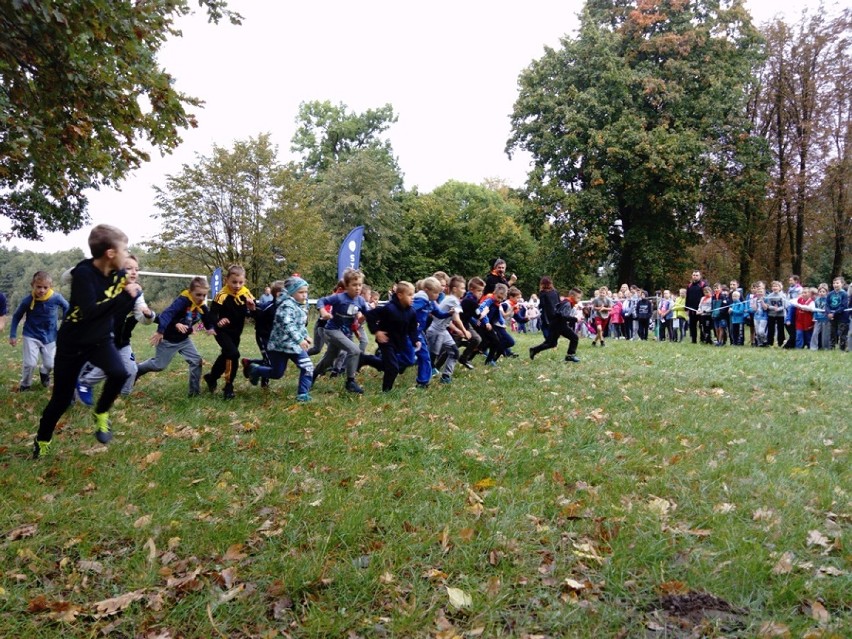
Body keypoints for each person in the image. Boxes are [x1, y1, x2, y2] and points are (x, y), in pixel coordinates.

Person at [33, 225, 141, 458]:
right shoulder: (83, 274)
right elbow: (90, 311)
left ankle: (101, 413)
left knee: (120, 373)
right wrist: (124, 295)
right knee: (60, 400)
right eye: (124, 250)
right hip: (73, 342)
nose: (126, 254)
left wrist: (134, 298)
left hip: (100, 339)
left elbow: (117, 311)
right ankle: (42, 440)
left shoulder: (119, 275)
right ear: (110, 253)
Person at [76, 254, 156, 404]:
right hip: (101, 338)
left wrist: (149, 314)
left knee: (131, 370)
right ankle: (82, 385)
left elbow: (142, 316)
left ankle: (123, 396)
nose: (133, 272)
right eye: (128, 268)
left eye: (136, 269)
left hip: (122, 340)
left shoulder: (137, 292)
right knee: (108, 367)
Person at [136, 276, 216, 396]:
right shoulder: (182, 301)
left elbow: (207, 317)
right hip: (168, 339)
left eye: (204, 295)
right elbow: (167, 314)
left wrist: (211, 328)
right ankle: (137, 369)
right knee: (159, 365)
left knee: (196, 361)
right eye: (198, 295)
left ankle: (194, 393)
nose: (201, 298)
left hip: (184, 340)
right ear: (190, 292)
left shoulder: (200, 307)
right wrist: (162, 331)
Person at [245, 276, 314, 401]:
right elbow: (288, 325)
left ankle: (302, 394)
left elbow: (300, 324)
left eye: (306, 292)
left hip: (295, 346)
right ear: (291, 292)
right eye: (301, 292)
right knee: (277, 373)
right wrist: (300, 340)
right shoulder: (286, 306)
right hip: (280, 346)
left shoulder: (300, 305)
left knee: (308, 366)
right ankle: (256, 370)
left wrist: (305, 335)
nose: (304, 295)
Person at [9, 271, 70, 391]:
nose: (42, 290)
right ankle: (25, 385)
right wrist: (12, 335)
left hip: (50, 336)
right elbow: (16, 316)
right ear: (33, 285)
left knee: (50, 364)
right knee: (30, 363)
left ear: (50, 287)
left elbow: (67, 306)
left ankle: (44, 373)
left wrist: (64, 324)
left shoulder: (56, 297)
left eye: (45, 287)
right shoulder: (28, 300)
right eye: (38, 287)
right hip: (31, 335)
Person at [313, 269, 371, 394]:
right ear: (346, 285)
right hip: (332, 330)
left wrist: (370, 318)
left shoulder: (360, 301)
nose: (357, 288)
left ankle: (312, 374)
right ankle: (350, 381)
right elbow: (321, 301)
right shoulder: (339, 298)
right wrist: (323, 312)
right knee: (355, 350)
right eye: (354, 285)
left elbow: (364, 317)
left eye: (360, 285)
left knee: (329, 359)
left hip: (346, 333)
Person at [204, 264, 256, 400]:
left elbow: (254, 312)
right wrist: (218, 322)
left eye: (240, 282)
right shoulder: (221, 295)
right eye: (234, 282)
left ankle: (211, 377)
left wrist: (252, 308)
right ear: (226, 280)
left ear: (244, 282)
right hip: (222, 331)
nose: (237, 285)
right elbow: (212, 314)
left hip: (236, 332)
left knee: (226, 355)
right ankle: (229, 386)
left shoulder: (246, 293)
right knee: (234, 354)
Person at [359, 281, 420, 392]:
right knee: (392, 367)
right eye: (410, 295)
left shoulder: (412, 312)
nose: (413, 297)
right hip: (386, 341)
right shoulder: (389, 308)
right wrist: (377, 332)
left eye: (413, 294)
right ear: (400, 295)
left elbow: (412, 328)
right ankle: (386, 392)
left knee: (397, 363)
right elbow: (370, 315)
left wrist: (415, 340)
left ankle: (366, 359)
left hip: (399, 342)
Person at [426, 275, 471, 384]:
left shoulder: (449, 298)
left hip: (442, 331)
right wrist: (465, 332)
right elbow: (456, 318)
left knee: (454, 352)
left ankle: (446, 377)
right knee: (429, 357)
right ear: (455, 289)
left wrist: (457, 330)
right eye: (462, 288)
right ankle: (421, 378)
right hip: (436, 332)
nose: (464, 291)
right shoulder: (453, 300)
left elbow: (448, 320)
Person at [528, 288, 581, 362]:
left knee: (551, 343)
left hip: (555, 324)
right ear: (572, 295)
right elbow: (563, 316)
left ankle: (534, 350)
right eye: (578, 297)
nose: (579, 299)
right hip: (559, 325)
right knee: (574, 338)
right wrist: (575, 319)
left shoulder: (566, 302)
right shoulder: (568, 303)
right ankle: (570, 355)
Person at [476, 283, 509, 366]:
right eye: (498, 297)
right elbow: (482, 310)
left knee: (496, 342)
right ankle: (467, 357)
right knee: (482, 343)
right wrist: (486, 322)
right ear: (494, 293)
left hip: (489, 326)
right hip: (482, 325)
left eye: (502, 299)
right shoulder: (489, 301)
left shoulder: (497, 303)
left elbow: (498, 314)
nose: (499, 300)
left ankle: (489, 361)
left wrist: (502, 322)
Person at [457, 276, 485, 369]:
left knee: (477, 339)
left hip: (465, 322)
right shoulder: (471, 300)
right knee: (452, 347)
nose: (481, 293)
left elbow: (468, 313)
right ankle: (435, 366)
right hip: (459, 324)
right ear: (471, 289)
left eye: (482, 291)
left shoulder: (468, 296)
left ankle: (463, 358)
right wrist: (486, 311)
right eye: (479, 291)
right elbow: (479, 315)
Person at [826, 277, 848, 351]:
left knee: (842, 333)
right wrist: (828, 312)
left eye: (837, 283)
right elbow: (827, 304)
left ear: (842, 284)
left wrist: (834, 313)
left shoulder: (844, 294)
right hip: (832, 317)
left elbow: (843, 306)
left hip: (842, 317)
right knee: (832, 332)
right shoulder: (830, 294)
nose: (835, 285)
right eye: (834, 283)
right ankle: (832, 347)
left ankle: (842, 348)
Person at [763, 280, 787, 347]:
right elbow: (768, 305)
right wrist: (773, 308)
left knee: (780, 329)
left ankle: (781, 343)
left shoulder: (783, 295)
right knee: (770, 329)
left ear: (780, 287)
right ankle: (770, 343)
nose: (775, 287)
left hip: (780, 315)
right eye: (773, 286)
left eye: (776, 286)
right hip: (771, 314)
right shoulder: (770, 295)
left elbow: (784, 306)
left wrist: (778, 309)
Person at [686, 270, 707, 344]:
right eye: (694, 275)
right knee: (692, 326)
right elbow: (687, 297)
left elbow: (706, 296)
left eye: (696, 275)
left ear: (700, 276)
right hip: (691, 309)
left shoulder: (703, 285)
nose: (695, 276)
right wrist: (686, 307)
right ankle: (693, 340)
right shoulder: (689, 285)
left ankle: (703, 339)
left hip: (700, 309)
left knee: (702, 325)